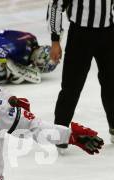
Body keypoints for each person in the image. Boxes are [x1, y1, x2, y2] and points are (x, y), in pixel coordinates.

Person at [47, 0, 114, 148]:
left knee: (111, 85)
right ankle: (60, 133)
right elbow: (56, 6)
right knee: (71, 87)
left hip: (108, 35)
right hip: (80, 36)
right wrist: (55, 40)